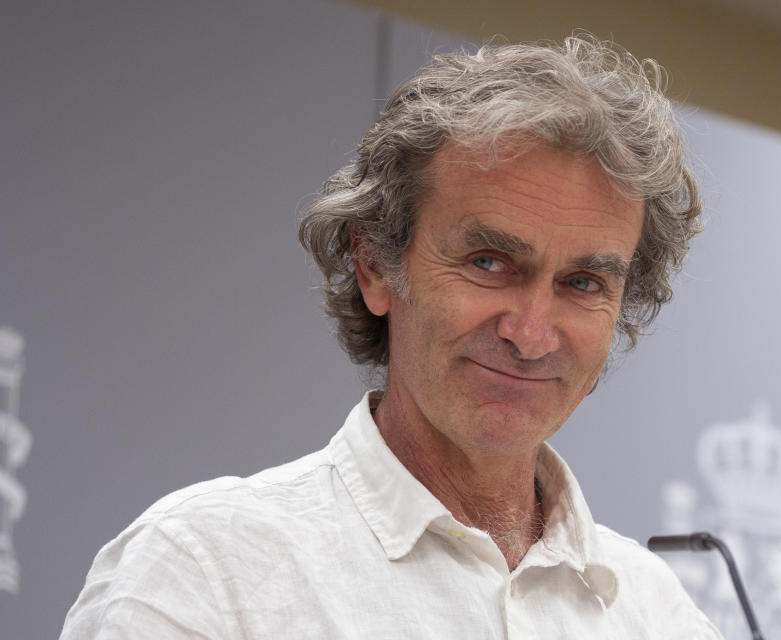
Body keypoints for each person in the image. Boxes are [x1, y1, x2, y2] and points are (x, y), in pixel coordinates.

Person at [62, 34, 721, 638]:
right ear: (375, 265)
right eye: (489, 263)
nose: (530, 334)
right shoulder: (206, 571)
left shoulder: (661, 616)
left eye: (582, 283)